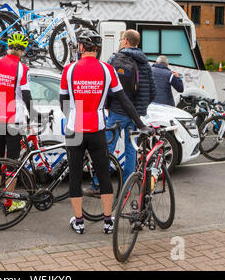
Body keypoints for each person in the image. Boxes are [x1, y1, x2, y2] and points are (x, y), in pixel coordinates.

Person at [59, 29, 149, 235]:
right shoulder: (107, 69)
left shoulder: (69, 70)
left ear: (81, 47)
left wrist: (72, 115)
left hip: (75, 129)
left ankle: (79, 222)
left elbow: (63, 102)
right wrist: (140, 124)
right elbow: (124, 100)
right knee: (103, 174)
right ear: (97, 49)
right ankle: (108, 222)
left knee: (75, 176)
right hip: (98, 128)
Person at [0, 31, 43, 213]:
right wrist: (34, 114)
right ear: (24, 49)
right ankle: (9, 202)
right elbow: (26, 96)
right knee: (12, 161)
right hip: (14, 119)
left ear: (8, 47)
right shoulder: (22, 69)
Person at [103, 29, 156, 185]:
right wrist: (140, 108)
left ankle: (99, 184)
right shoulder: (145, 63)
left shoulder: (115, 58)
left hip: (117, 112)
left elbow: (106, 84)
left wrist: (107, 105)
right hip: (135, 115)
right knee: (131, 149)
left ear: (125, 40)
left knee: (108, 148)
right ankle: (128, 183)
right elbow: (152, 91)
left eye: (121, 39)